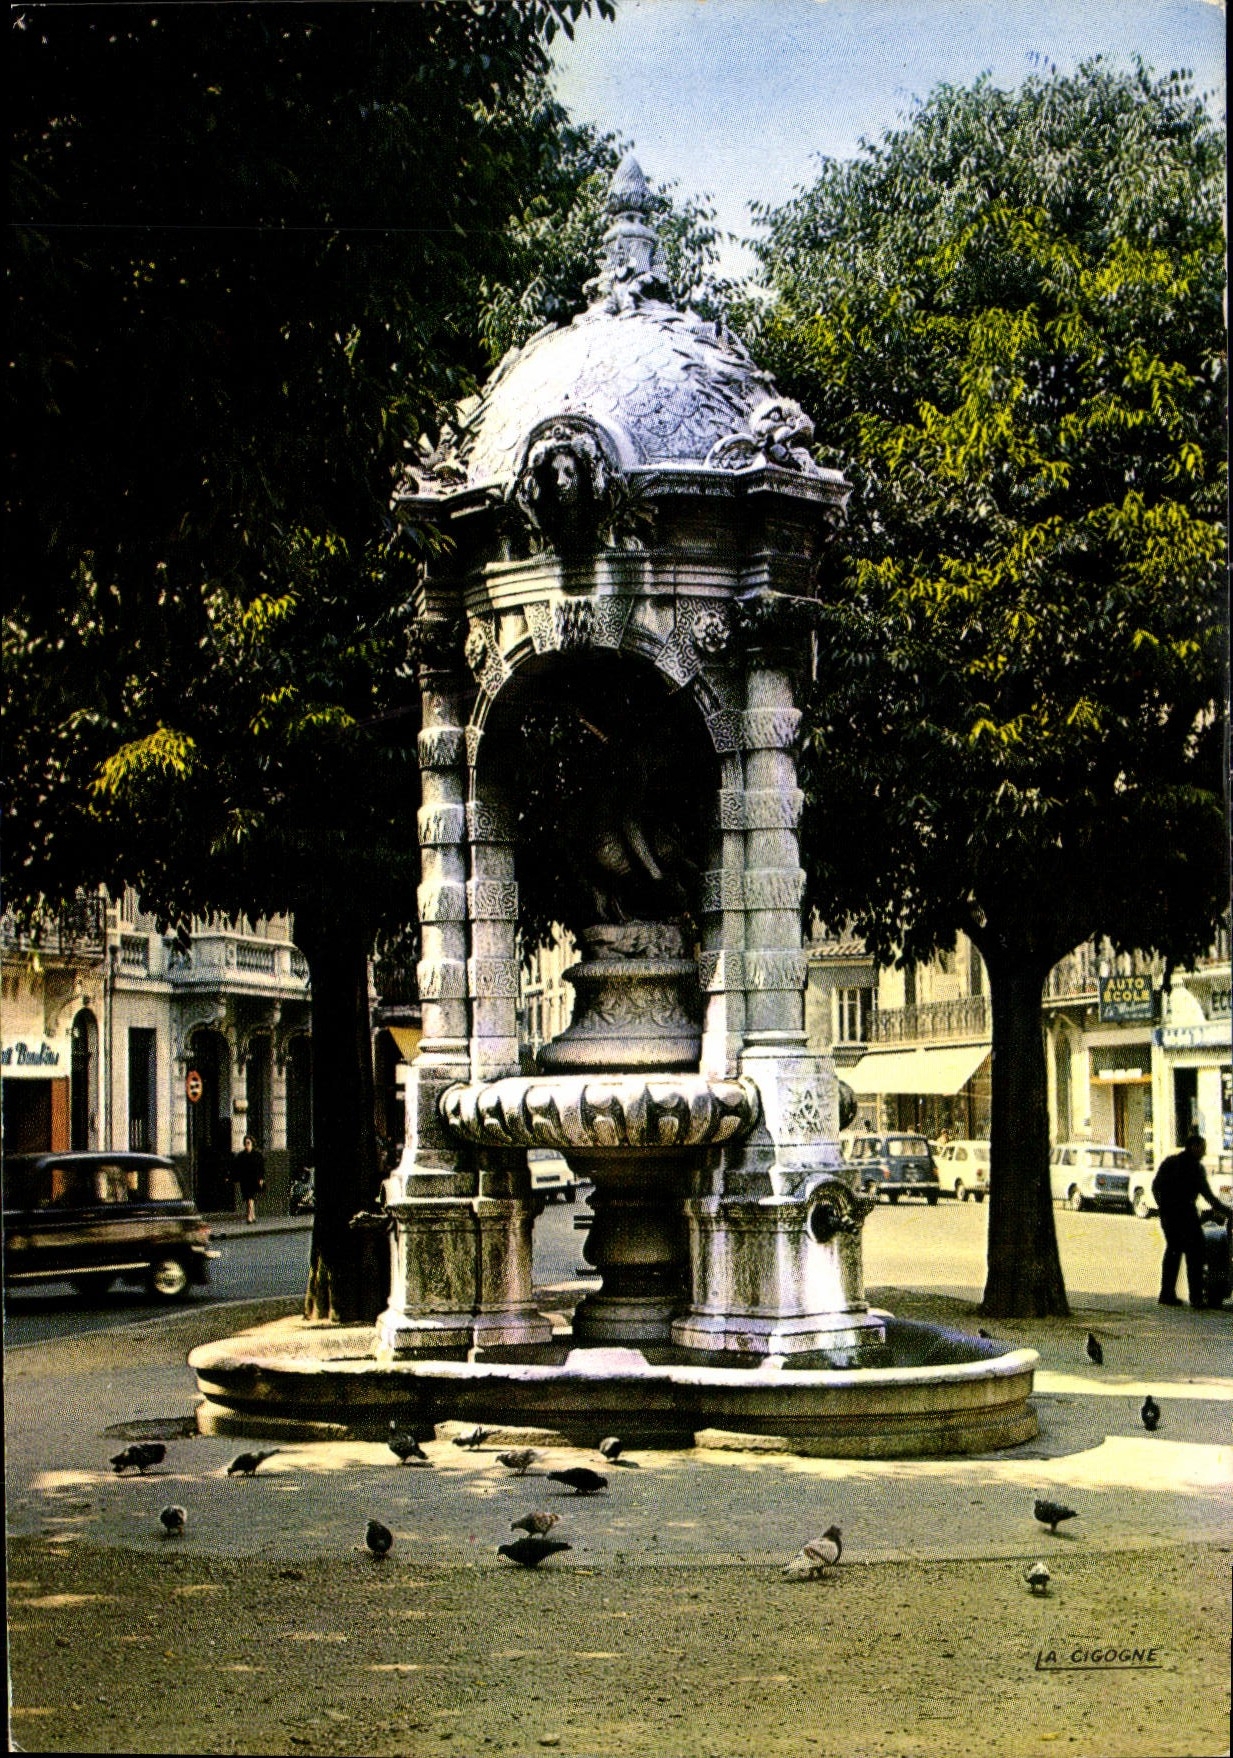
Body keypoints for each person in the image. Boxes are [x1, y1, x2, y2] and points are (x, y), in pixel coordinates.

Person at [1151, 1132, 1232, 1308]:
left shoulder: (1170, 1162)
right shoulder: (1194, 1168)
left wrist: (1162, 1208)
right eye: (1202, 1148)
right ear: (1194, 1147)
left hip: (1170, 1215)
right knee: (1195, 1254)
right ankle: (1196, 1297)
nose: (1204, 1152)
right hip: (1185, 1214)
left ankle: (1166, 1294)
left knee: (1173, 1252)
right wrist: (1227, 1211)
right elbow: (1208, 1195)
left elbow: (1155, 1187)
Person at [232, 1135, 265, 1225]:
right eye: (245, 1143)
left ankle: (249, 1217)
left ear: (252, 1144)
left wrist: (261, 1178)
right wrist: (235, 1178)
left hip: (254, 1179)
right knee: (248, 1199)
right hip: (245, 1180)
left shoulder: (257, 1155)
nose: (246, 1145)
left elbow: (261, 1168)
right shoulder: (241, 1155)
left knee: (250, 1198)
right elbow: (237, 1167)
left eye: (248, 1143)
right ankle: (253, 1216)